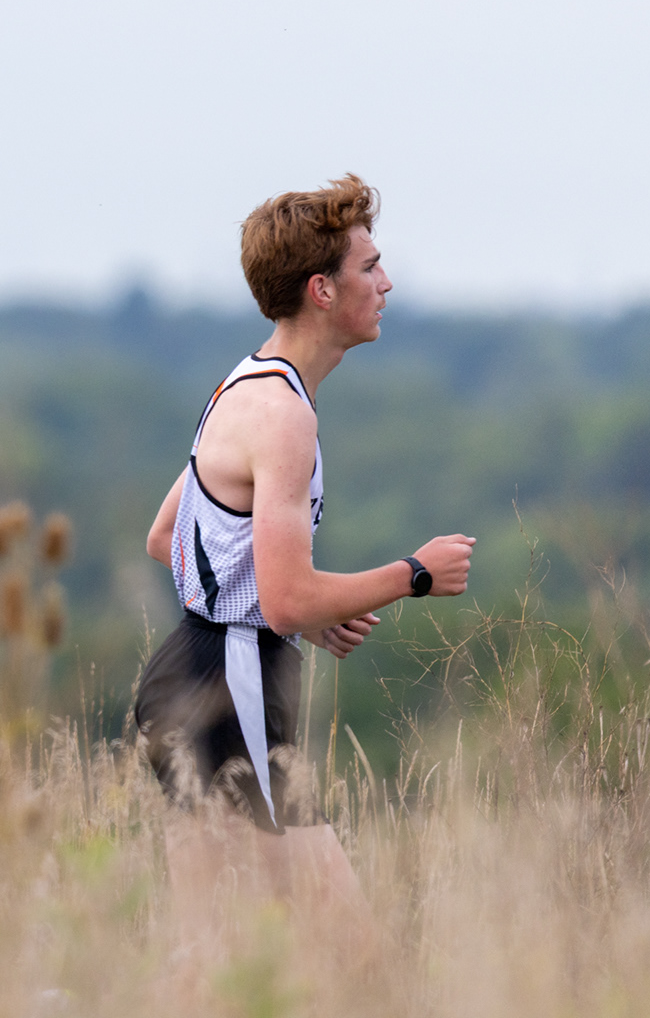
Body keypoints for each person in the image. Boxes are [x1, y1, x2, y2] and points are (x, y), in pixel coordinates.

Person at [137, 173, 475, 945]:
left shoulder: (244, 385)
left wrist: (293, 611)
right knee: (348, 953)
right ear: (323, 290)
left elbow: (168, 538)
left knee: (216, 956)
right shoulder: (282, 415)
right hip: (229, 684)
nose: (386, 283)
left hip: (196, 676)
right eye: (370, 267)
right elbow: (285, 600)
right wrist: (414, 575)